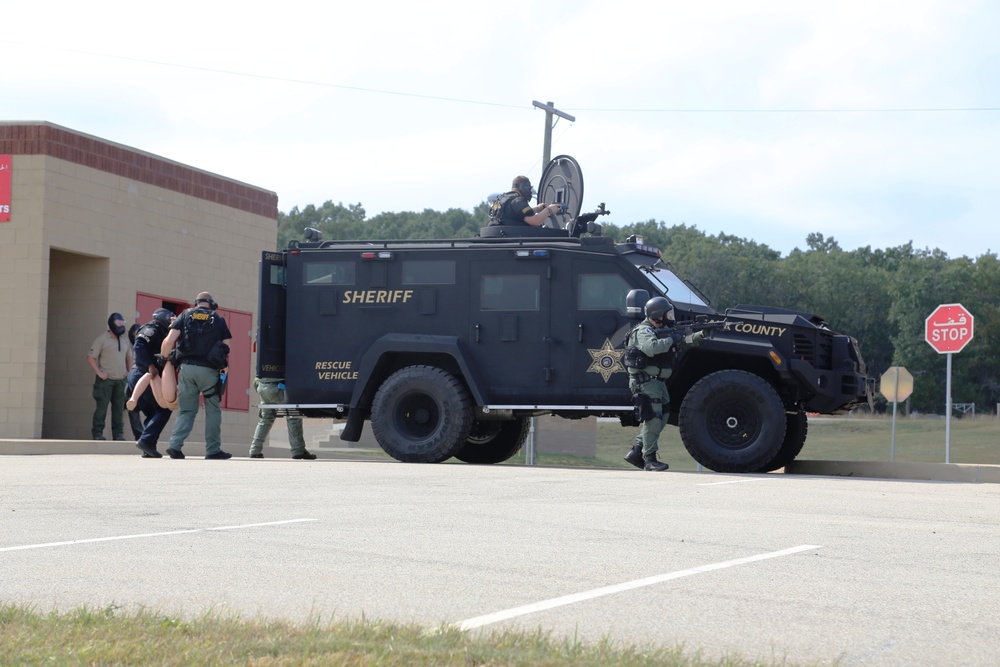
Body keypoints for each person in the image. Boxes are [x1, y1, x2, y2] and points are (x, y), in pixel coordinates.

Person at [622, 297, 705, 472]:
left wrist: (701, 335)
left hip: (658, 383)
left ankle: (637, 451)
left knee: (662, 416)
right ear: (657, 314)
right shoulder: (643, 331)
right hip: (645, 382)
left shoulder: (662, 330)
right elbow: (652, 348)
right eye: (667, 313)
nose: (670, 316)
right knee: (653, 418)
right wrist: (672, 339)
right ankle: (649, 459)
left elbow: (682, 342)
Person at [161, 292, 233, 460]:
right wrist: (224, 369)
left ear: (197, 303)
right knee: (213, 410)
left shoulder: (184, 315)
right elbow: (227, 348)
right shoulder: (219, 319)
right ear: (211, 303)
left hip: (186, 369)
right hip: (209, 370)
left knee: (186, 410)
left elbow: (169, 340)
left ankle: (174, 445)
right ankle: (213, 450)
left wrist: (165, 358)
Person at [129, 308, 176, 458]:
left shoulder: (164, 333)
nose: (171, 320)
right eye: (169, 318)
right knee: (164, 408)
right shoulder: (152, 329)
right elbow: (139, 344)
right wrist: (150, 364)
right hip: (145, 374)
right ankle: (146, 440)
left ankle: (148, 446)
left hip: (145, 375)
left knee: (152, 412)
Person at [86, 312, 133, 441]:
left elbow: (129, 357)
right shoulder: (102, 338)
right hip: (105, 381)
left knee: (118, 409)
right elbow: (91, 358)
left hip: (120, 380)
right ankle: (98, 433)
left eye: (122, 323)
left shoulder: (124, 340)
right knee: (101, 408)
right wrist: (99, 373)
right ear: (112, 324)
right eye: (118, 323)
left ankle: (118, 434)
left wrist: (129, 371)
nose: (121, 326)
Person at [249, 377, 317, 460]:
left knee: (265, 420)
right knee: (293, 417)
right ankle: (298, 451)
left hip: (262, 387)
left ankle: (255, 450)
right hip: (278, 388)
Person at [488, 175, 562, 227]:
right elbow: (535, 221)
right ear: (523, 187)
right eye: (529, 188)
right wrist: (549, 210)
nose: (530, 191)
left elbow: (515, 215)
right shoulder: (518, 201)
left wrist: (537, 209)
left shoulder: (502, 200)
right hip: (515, 240)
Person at [126, 323, 144, 440]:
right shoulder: (126, 344)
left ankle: (145, 436)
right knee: (131, 406)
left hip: (143, 377)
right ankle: (139, 435)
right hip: (128, 379)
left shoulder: (144, 344)